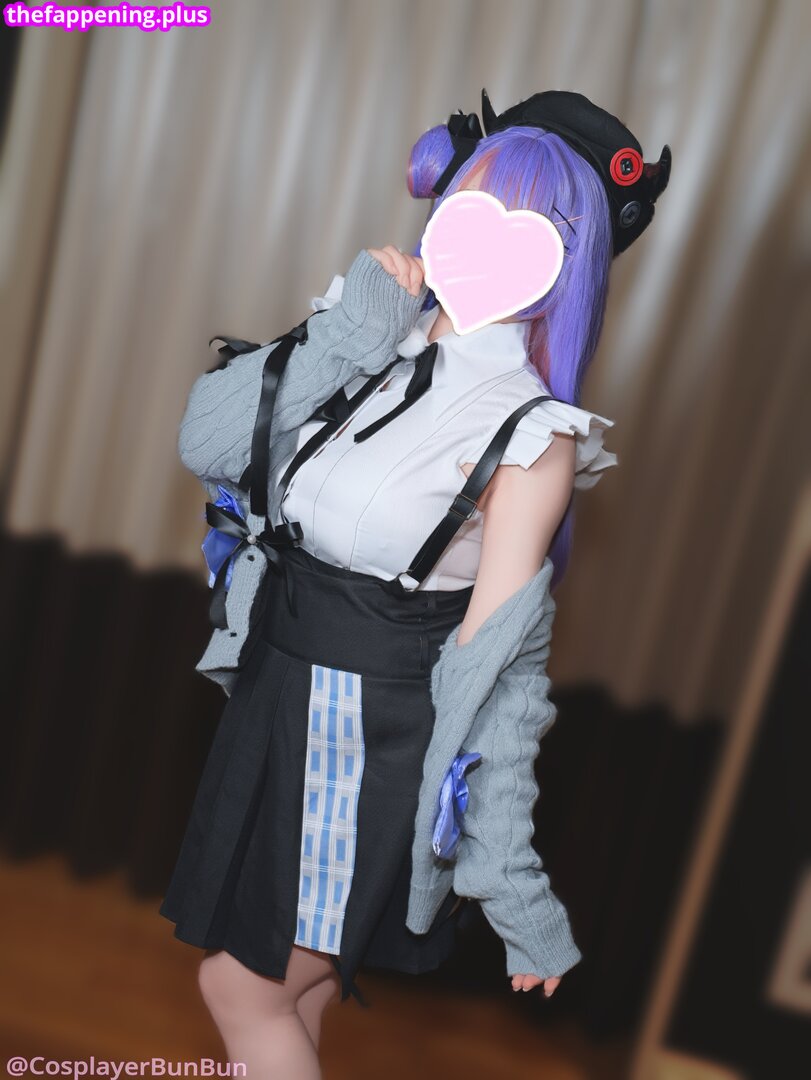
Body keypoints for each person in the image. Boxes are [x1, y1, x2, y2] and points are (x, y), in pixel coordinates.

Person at [159, 89, 670, 1077]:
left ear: (569, 263)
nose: (488, 237)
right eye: (475, 205)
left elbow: (501, 673)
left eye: (532, 225)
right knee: (292, 997)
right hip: (278, 693)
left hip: (370, 739)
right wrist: (347, 333)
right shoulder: (366, 333)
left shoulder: (534, 436)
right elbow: (209, 445)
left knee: (242, 989)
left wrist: (512, 884)